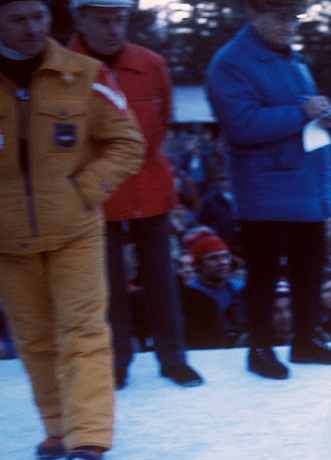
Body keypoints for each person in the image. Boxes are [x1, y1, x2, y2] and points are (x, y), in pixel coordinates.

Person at [0, 0, 145, 460]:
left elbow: (128, 141)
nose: (32, 29)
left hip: (75, 230)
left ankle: (88, 436)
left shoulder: (84, 73)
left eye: (39, 17)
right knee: (34, 337)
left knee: (83, 329)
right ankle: (56, 427)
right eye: (18, 19)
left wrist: (85, 190)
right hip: (2, 237)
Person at [206, 0, 331, 379]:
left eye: (295, 18)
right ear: (254, 14)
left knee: (310, 267)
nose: (290, 26)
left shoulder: (290, 59)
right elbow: (241, 125)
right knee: (264, 273)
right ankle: (259, 347)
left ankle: (306, 340)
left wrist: (328, 116)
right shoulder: (231, 62)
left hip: (300, 183)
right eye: (281, 18)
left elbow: (300, 114)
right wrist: (303, 112)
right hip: (264, 189)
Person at [69, 0, 204, 390]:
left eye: (120, 19)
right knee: (107, 281)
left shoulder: (150, 63)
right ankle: (116, 361)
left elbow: (162, 123)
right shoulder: (63, 67)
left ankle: (173, 357)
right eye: (103, 21)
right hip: (97, 189)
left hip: (150, 183)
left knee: (161, 275)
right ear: (80, 19)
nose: (114, 29)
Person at [181, 234, 248, 349]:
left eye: (225, 256)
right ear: (198, 265)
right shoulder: (187, 295)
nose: (223, 262)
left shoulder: (241, 290)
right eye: (213, 258)